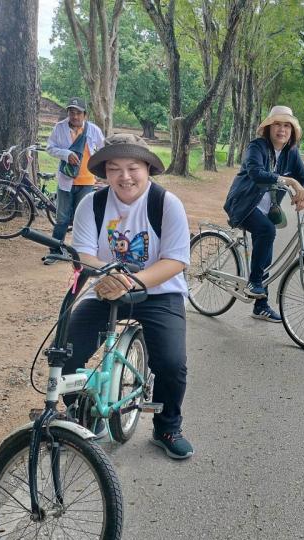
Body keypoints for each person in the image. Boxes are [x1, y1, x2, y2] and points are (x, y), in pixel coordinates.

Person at [63, 134, 193, 459]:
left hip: (159, 293)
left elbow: (175, 260)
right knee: (66, 349)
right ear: (104, 173)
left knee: (172, 363)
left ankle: (167, 427)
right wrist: (109, 276)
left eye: (133, 167)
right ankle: (82, 411)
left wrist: (131, 281)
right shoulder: (91, 204)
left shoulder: (166, 204)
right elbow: (84, 253)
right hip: (107, 289)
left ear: (147, 168)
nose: (125, 177)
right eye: (114, 168)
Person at [224, 106, 304, 322]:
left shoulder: (290, 153)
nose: (282, 129)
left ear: (292, 131)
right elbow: (256, 173)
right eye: (277, 124)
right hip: (243, 205)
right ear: (268, 128)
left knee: (266, 255)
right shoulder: (256, 147)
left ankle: (260, 305)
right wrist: (291, 181)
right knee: (266, 230)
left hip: (265, 210)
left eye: (286, 126)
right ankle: (254, 283)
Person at [45, 97, 105, 263]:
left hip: (87, 182)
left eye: (78, 113)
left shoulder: (93, 130)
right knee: (62, 218)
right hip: (66, 181)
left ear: (84, 114)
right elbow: (50, 147)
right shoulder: (59, 128)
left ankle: (79, 253)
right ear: (68, 113)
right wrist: (66, 154)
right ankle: (55, 250)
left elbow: (103, 150)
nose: (75, 116)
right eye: (72, 112)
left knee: (81, 218)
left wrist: (102, 173)